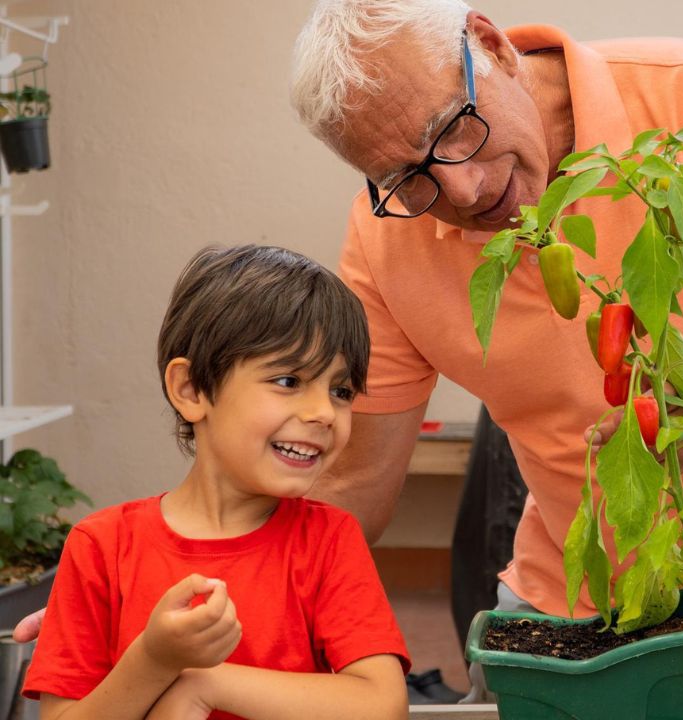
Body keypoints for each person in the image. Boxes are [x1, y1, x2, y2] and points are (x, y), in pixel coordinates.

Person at [288, 0, 683, 645]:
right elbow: (358, 480)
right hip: (581, 592)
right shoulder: (385, 235)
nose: (463, 189)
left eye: (450, 127)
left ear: (493, 47)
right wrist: (222, 551)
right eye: (406, 176)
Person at [21, 245, 411, 720]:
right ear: (191, 390)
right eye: (289, 380)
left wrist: (207, 683)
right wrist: (154, 661)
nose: (323, 413)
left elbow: (382, 704)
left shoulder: (330, 541)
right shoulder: (101, 546)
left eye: (341, 391)